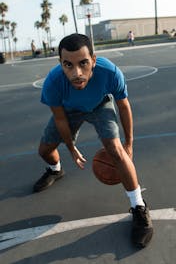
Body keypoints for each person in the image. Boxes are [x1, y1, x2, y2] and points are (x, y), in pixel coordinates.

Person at [33, 33, 153, 248]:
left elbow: (124, 106)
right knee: (44, 150)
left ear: (94, 60)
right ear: (60, 63)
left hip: (100, 104)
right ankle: (55, 169)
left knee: (116, 150)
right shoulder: (53, 83)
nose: (76, 73)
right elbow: (60, 119)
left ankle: (139, 206)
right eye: (68, 65)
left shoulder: (110, 72)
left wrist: (129, 145)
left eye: (83, 63)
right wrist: (70, 147)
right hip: (69, 110)